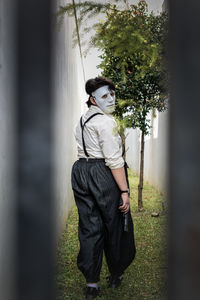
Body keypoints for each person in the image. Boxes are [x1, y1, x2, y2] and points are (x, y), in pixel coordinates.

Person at [71, 77, 136, 299]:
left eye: (112, 94)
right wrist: (125, 192)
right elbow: (113, 160)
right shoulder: (106, 122)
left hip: (80, 171)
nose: (111, 99)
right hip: (102, 172)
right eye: (104, 96)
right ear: (93, 99)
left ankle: (92, 284)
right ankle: (116, 274)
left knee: (89, 227)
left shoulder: (81, 120)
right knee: (115, 224)